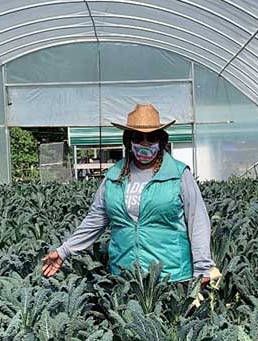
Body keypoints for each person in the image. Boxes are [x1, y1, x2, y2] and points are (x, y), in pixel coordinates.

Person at [41, 104, 216, 286]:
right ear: (129, 141)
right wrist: (64, 251)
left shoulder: (178, 174)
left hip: (172, 276)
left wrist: (202, 267)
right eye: (138, 138)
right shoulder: (114, 176)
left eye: (152, 137)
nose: (145, 143)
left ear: (161, 140)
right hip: (126, 277)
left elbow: (198, 221)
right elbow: (95, 221)